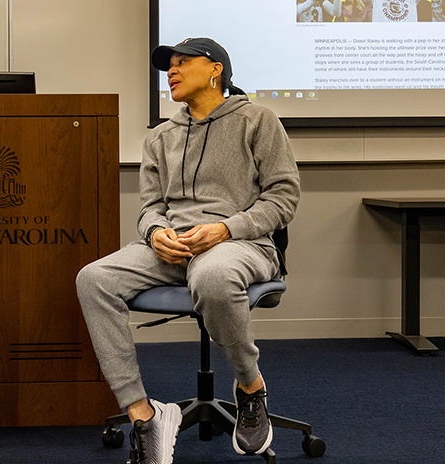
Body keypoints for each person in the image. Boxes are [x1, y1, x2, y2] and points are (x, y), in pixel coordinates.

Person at [76, 37, 299, 464]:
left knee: (212, 276)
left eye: (182, 62)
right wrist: (155, 231)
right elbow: (149, 208)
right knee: (94, 278)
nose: (171, 71)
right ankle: (145, 416)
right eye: (168, 65)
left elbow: (283, 198)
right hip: (173, 247)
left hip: (241, 242)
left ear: (215, 69)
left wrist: (225, 228)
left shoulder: (257, 120)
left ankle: (250, 386)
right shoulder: (161, 136)